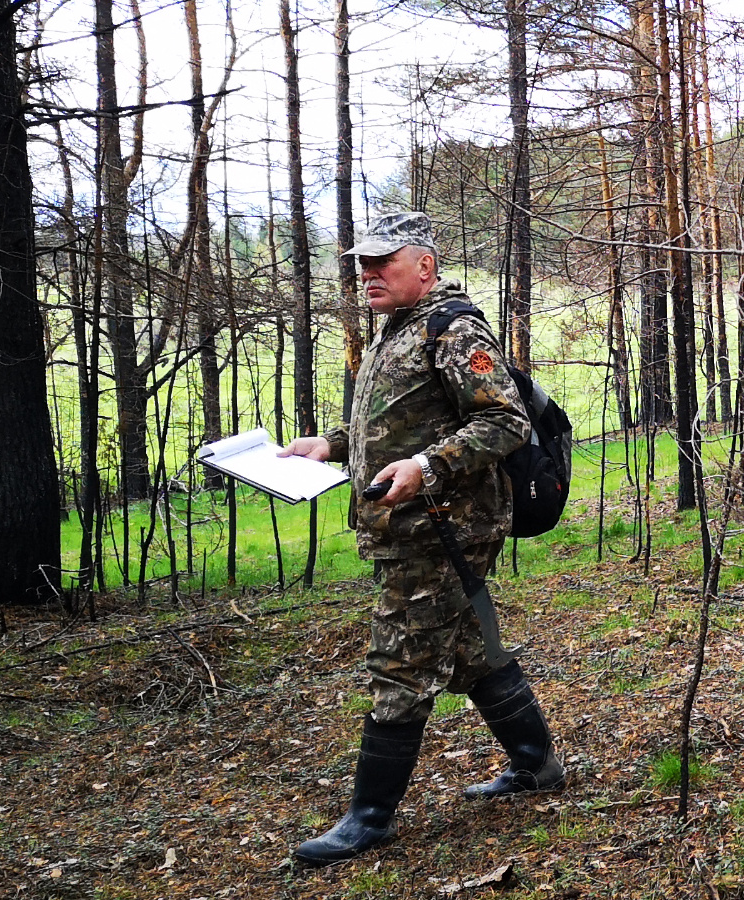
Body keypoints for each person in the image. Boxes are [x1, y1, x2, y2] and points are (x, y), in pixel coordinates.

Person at [280, 212, 565, 867]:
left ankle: (368, 818)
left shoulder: (454, 329)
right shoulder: (398, 329)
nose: (368, 274)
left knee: (400, 666)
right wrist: (331, 445)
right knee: (474, 653)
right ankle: (537, 764)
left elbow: (505, 422)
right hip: (410, 529)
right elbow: (401, 426)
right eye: (363, 263)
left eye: (383, 261)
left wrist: (427, 468)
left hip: (442, 531)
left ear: (425, 266)